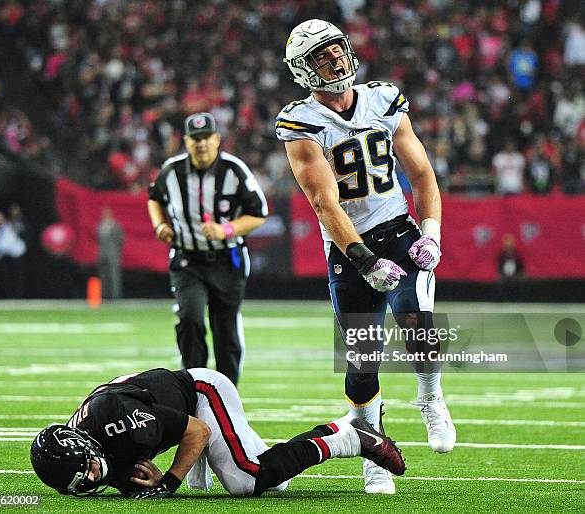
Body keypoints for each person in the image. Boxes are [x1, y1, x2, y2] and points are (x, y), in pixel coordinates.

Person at [277, 19, 455, 494]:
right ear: (303, 69)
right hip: (346, 245)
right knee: (362, 361)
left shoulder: (383, 99)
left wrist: (431, 234)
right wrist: (362, 259)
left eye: (336, 49)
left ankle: (430, 395)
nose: (334, 60)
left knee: (415, 319)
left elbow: (422, 174)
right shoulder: (301, 122)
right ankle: (371, 449)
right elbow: (323, 203)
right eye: (321, 55)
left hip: (398, 228)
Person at [30, 367, 405, 498]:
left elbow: (197, 430)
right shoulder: (88, 446)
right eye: (85, 481)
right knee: (275, 483)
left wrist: (170, 482)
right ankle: (247, 448)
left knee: (246, 480)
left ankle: (349, 436)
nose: (96, 478)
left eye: (89, 469)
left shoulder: (116, 419)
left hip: (200, 395)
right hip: (171, 415)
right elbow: (119, 467)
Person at [148, 112, 267, 385]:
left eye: (206, 138)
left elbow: (258, 213)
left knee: (225, 329)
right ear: (186, 141)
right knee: (190, 318)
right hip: (187, 260)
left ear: (216, 139)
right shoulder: (172, 170)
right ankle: (193, 387)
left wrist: (226, 229)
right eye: (195, 138)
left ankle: (226, 395)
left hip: (227, 259)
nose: (201, 144)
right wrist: (159, 226)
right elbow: (154, 197)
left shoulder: (234, 170)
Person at [97, 207, 125, 299]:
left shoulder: (116, 226)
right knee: (103, 276)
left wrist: (116, 252)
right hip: (102, 254)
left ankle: (115, 296)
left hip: (113, 254)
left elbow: (120, 241)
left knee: (114, 276)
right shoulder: (100, 225)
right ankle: (104, 295)